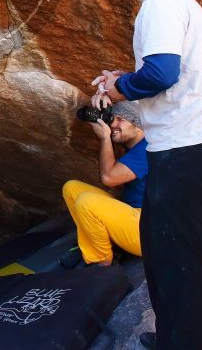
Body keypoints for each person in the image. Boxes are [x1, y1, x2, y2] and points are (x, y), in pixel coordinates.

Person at [91, 0, 202, 350]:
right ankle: (176, 336)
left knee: (178, 260)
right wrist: (122, 78)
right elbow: (164, 76)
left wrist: (119, 90)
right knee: (160, 252)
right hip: (180, 147)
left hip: (189, 149)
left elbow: (161, 74)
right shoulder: (171, 6)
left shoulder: (160, 4)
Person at [63, 101, 147, 266]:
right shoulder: (137, 147)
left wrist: (105, 138)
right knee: (72, 188)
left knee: (87, 202)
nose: (113, 124)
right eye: (111, 119)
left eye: (120, 120)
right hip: (133, 216)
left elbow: (109, 178)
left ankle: (102, 262)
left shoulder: (148, 149)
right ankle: (101, 247)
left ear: (138, 125)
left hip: (150, 231)